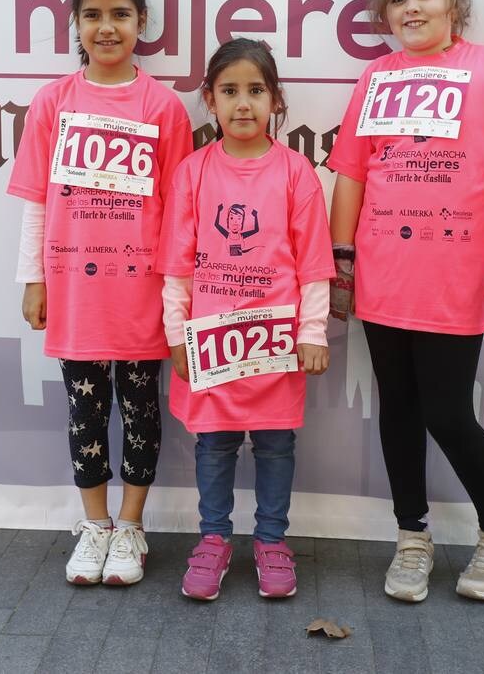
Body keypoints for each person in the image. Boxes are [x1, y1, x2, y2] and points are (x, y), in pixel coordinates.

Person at [327, 0, 484, 602]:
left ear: (453, 1)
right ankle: (412, 538)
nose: (412, 8)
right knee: (398, 410)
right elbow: (351, 174)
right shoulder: (375, 80)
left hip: (456, 278)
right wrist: (342, 263)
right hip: (382, 275)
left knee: (449, 414)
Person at [7, 0, 193, 585]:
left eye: (120, 13)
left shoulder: (163, 107)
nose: (106, 27)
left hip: (140, 293)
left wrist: (175, 296)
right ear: (75, 25)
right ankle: (94, 525)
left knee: (141, 408)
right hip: (75, 291)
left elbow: (176, 213)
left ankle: (132, 526)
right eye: (92, 15)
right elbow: (37, 199)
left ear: (142, 21)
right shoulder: (52, 102)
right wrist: (33, 278)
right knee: (85, 412)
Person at [158, 38, 333, 601]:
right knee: (214, 447)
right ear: (209, 98)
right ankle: (213, 540)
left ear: (275, 100)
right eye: (229, 91)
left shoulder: (296, 173)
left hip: (274, 343)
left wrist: (311, 332)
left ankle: (271, 542)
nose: (242, 104)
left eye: (255, 91)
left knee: (276, 446)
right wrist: (176, 334)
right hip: (211, 343)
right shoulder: (192, 173)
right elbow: (177, 265)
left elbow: (312, 264)